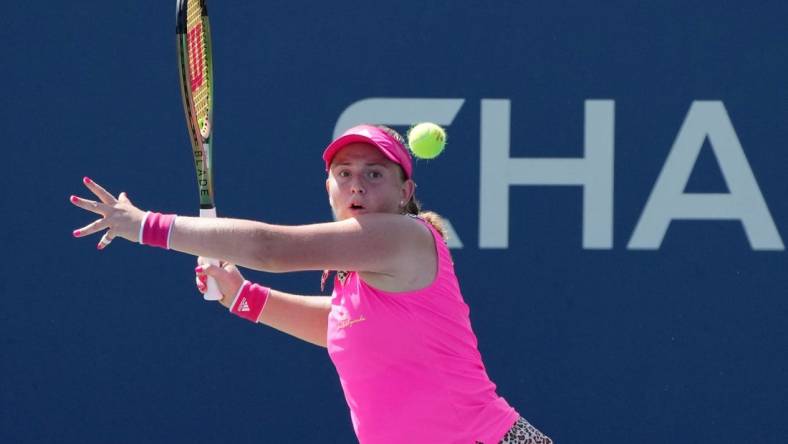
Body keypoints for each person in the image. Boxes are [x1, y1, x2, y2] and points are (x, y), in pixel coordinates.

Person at [70, 124, 552, 444]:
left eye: (375, 173)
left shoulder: (406, 237)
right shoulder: (358, 279)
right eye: (344, 174)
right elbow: (342, 328)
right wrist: (244, 297)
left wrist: (146, 225)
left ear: (405, 192)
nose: (357, 185)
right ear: (328, 186)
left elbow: (270, 249)